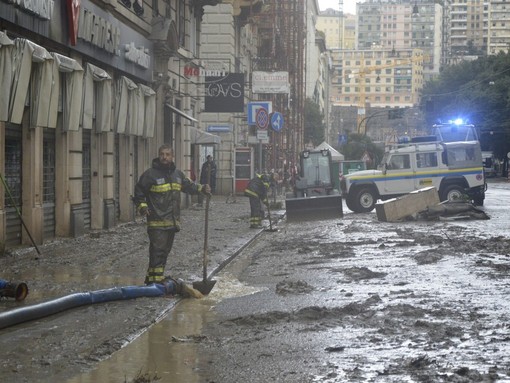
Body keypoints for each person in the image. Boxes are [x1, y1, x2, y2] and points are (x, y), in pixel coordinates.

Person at [133, 144, 210, 297]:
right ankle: (155, 285)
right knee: (157, 252)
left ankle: (153, 281)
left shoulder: (177, 175)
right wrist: (142, 207)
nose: (164, 157)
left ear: (172, 156)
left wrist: (202, 188)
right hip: (156, 222)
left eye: (167, 154)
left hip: (172, 222)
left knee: (164, 252)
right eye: (162, 154)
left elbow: (189, 186)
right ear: (158, 155)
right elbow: (139, 191)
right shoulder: (150, 175)